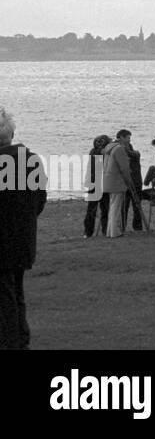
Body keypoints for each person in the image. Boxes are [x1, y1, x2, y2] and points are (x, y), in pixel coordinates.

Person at [0, 107, 46, 350]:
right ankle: (20, 339)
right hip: (23, 239)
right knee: (16, 292)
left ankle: (11, 342)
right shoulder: (31, 160)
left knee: (5, 298)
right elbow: (39, 200)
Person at [102, 130, 136, 239]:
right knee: (116, 207)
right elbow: (124, 167)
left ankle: (110, 231)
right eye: (128, 138)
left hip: (109, 180)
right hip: (117, 181)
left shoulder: (109, 148)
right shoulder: (119, 149)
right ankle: (115, 232)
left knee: (113, 206)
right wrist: (128, 180)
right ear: (121, 137)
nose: (129, 140)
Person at [82, 134, 111, 238]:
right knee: (105, 209)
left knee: (92, 209)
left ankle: (88, 232)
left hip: (93, 184)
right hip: (102, 184)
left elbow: (89, 169)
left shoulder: (93, 152)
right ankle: (105, 230)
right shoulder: (105, 154)